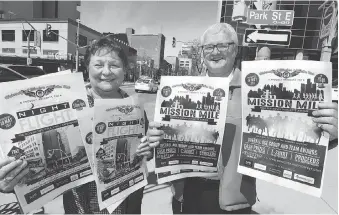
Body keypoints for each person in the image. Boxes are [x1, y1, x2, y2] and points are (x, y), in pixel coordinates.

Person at [175, 23, 338, 214]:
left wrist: (330, 133)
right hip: (188, 193)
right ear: (202, 52)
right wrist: (156, 138)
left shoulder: (257, 89)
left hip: (232, 200)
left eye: (223, 45)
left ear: (235, 50)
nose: (215, 52)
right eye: (209, 47)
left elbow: (290, 132)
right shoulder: (182, 90)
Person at [0, 35, 164, 214]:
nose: (106, 71)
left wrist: (149, 148)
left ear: (125, 69)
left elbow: (143, 154)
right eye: (99, 65)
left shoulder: (135, 107)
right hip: (81, 207)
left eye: (114, 65)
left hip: (128, 205)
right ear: (87, 68)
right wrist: (10, 180)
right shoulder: (66, 104)